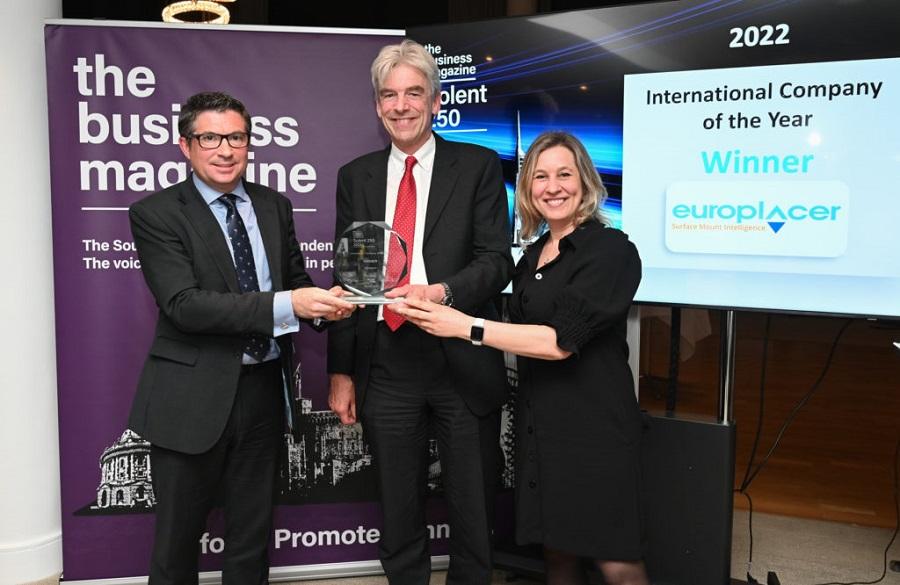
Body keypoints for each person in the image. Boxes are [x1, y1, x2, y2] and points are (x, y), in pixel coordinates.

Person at [394, 131, 648, 585]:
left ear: (586, 181)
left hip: (595, 428)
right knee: (558, 552)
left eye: (564, 174)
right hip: (542, 423)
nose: (553, 187)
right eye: (540, 177)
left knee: (615, 559)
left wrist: (464, 326)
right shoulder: (531, 257)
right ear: (528, 190)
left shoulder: (611, 250)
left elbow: (558, 342)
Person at [128, 91, 355, 585]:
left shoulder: (274, 205)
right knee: (175, 549)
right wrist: (288, 305)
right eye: (210, 138)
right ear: (185, 145)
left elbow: (294, 282)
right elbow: (184, 305)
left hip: (263, 394)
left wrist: (327, 303)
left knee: (251, 544)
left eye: (236, 137)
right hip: (191, 400)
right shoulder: (157, 213)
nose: (225, 149)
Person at [327, 40, 513, 585]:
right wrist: (340, 370)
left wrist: (443, 293)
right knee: (397, 504)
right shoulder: (355, 176)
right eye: (389, 95)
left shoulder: (477, 165)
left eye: (413, 93)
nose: (401, 105)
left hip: (461, 354)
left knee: (473, 506)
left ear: (435, 101)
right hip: (387, 361)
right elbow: (350, 281)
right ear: (377, 105)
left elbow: (496, 260)